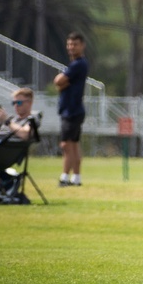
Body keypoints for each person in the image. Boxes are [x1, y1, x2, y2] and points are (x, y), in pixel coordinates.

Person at [54, 32, 87, 187]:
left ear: (82, 45)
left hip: (72, 111)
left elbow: (58, 81)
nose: (71, 47)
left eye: (74, 44)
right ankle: (77, 178)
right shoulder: (74, 65)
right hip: (72, 110)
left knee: (66, 145)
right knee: (73, 144)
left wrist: (62, 83)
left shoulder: (78, 64)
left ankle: (65, 177)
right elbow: (61, 83)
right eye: (69, 44)